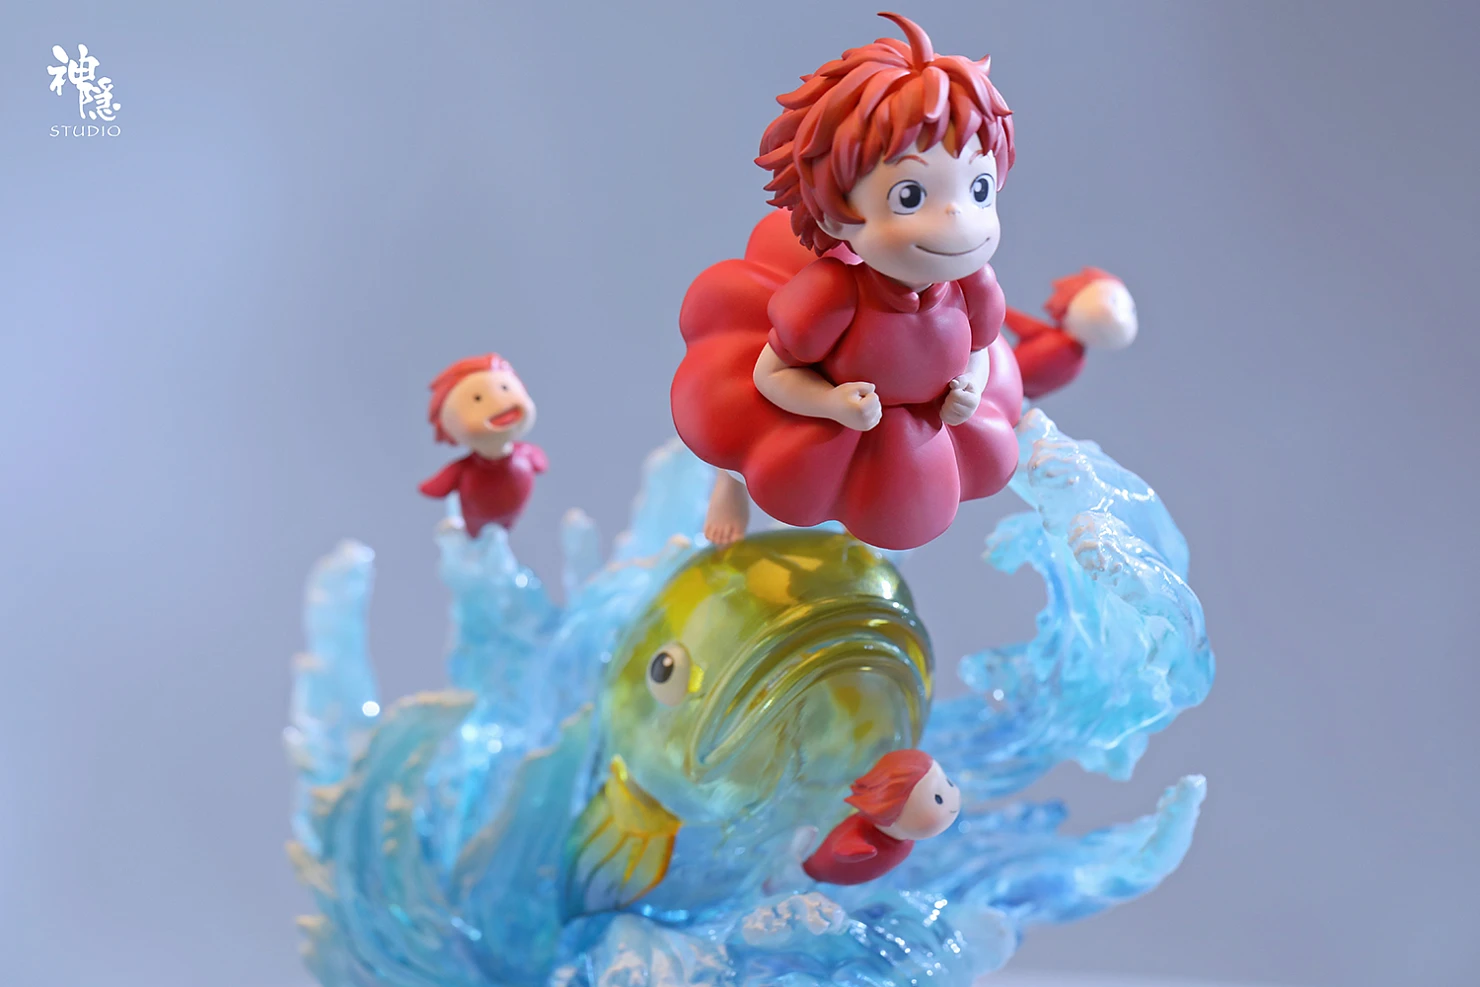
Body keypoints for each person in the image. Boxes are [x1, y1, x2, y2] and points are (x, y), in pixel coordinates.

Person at [418, 353, 546, 537]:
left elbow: (541, 463)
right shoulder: (464, 470)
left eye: (504, 388)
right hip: (475, 525)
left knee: (501, 539)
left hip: (511, 519)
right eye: (477, 399)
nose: (499, 404)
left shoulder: (526, 454)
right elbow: (436, 487)